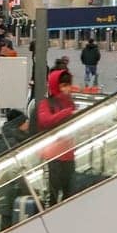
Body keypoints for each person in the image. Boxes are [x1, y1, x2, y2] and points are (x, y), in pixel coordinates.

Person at [35, 69, 79, 204]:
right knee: (53, 192)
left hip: (68, 154)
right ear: (56, 86)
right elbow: (46, 121)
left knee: (69, 192)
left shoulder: (70, 102)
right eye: (63, 85)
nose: (67, 89)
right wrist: (68, 112)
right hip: (53, 156)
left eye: (68, 85)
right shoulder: (46, 103)